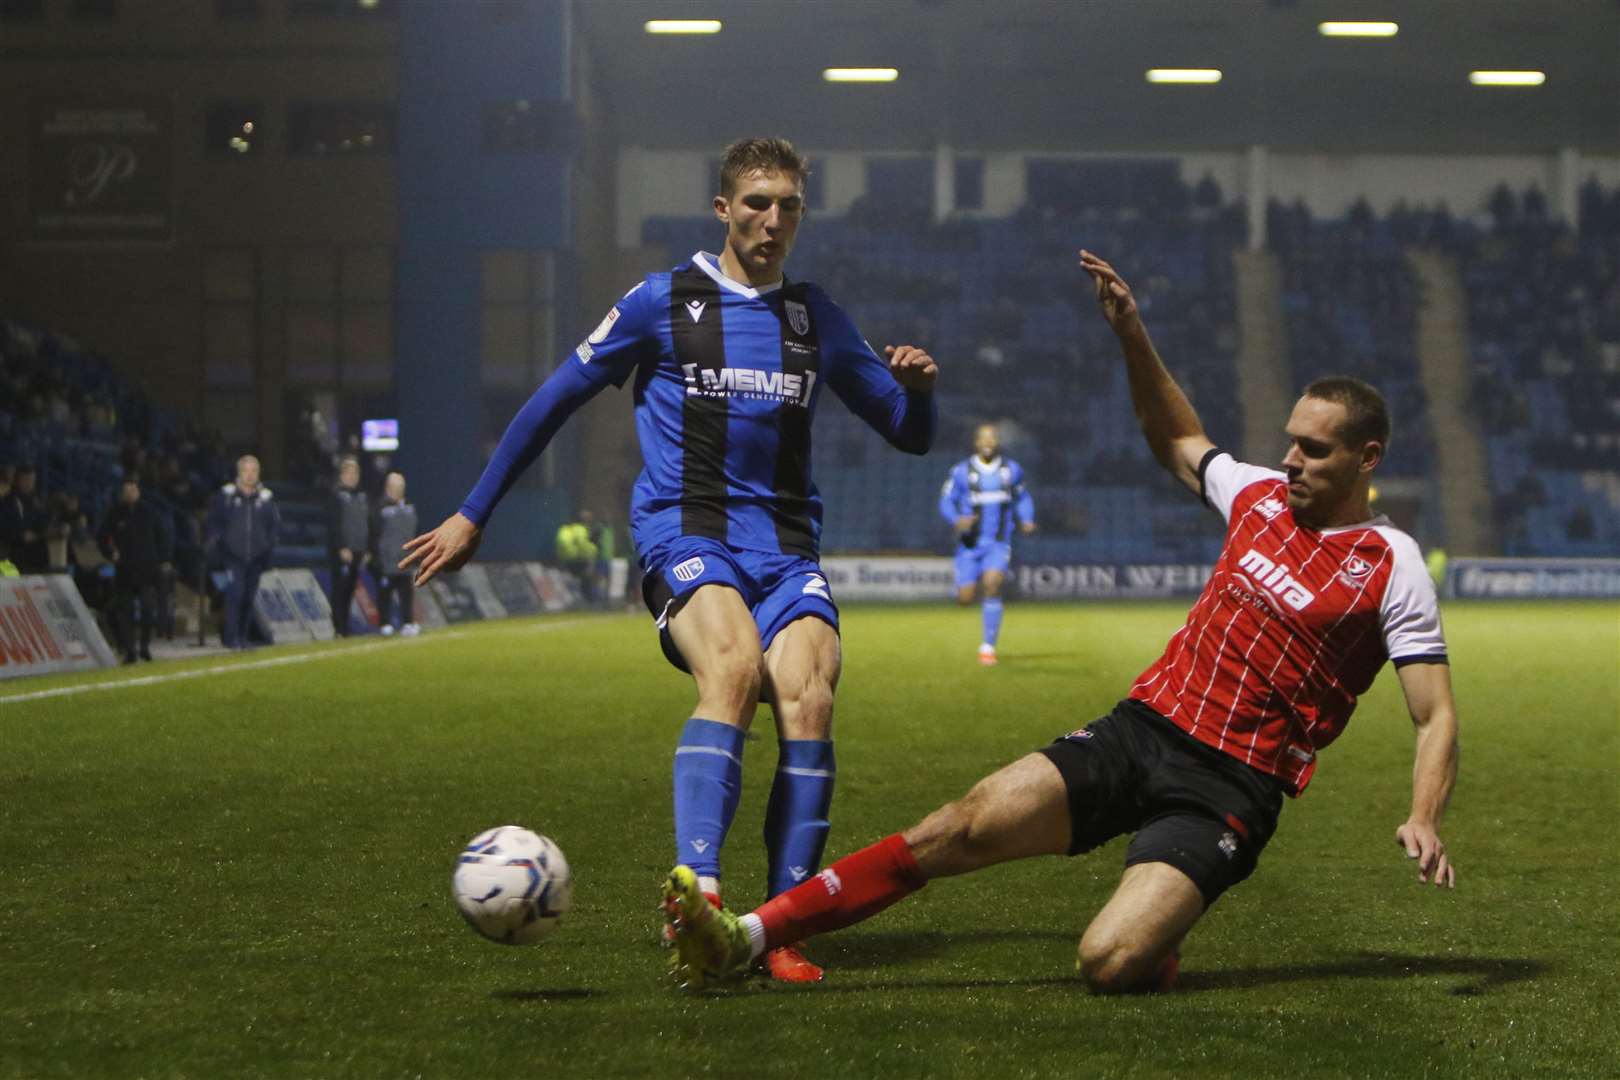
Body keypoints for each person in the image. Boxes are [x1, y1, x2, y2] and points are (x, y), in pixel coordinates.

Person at [663, 250, 1459, 993]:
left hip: (1230, 785)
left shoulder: (1392, 565)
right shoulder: (1256, 495)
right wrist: (1131, 332)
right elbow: (1179, 436)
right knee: (961, 825)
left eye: (1314, 450)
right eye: (1290, 441)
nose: (1291, 460)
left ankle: (1158, 928)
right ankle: (747, 936)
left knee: (1108, 962)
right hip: (1142, 729)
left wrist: (1423, 817)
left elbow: (1434, 714)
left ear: (1368, 458)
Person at [402, 136, 939, 983]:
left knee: (810, 696)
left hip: (788, 546)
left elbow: (908, 437)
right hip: (686, 534)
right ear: (722, 209)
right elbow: (553, 399)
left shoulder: (815, 318)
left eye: (789, 205)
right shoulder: (661, 303)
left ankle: (781, 927)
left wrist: (920, 392)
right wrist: (475, 513)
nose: (773, 219)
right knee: (730, 671)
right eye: (757, 203)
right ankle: (701, 902)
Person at [938, 423, 1035, 665]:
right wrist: (956, 519)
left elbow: (1022, 497)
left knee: (992, 584)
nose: (988, 442)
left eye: (992, 438)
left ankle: (988, 647)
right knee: (965, 598)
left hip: (998, 543)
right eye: (984, 438)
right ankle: (967, 588)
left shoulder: (1011, 470)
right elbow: (946, 501)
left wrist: (1027, 519)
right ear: (976, 442)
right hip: (969, 545)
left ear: (997, 441)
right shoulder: (962, 472)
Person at [206, 455, 280, 650]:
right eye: (246, 470)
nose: (249, 475)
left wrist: (268, 544)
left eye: (253, 471)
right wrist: (219, 540)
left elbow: (274, 526)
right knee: (235, 594)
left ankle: (242, 637)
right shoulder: (226, 496)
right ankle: (231, 638)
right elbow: (214, 522)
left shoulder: (266, 498)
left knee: (248, 597)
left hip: (256, 556)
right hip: (233, 556)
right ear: (239, 473)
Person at [98, 476, 171, 663]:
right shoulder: (115, 513)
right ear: (122, 493)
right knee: (126, 612)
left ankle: (144, 646)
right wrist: (110, 552)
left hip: (147, 570)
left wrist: (163, 560)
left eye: (132, 490)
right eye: (126, 490)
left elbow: (162, 535)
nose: (129, 494)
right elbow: (101, 536)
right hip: (125, 571)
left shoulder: (148, 512)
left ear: (138, 491)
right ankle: (130, 650)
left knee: (147, 610)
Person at [370, 471, 419, 637]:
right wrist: (376, 556)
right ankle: (385, 623)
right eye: (395, 486)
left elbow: (415, 532)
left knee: (406, 593)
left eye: (401, 487)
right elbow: (373, 533)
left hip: (405, 559)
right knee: (385, 593)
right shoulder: (380, 508)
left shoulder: (409, 507)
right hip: (387, 560)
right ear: (388, 487)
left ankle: (408, 622)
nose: (398, 490)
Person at [327, 455, 370, 636]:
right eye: (349, 473)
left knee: (350, 589)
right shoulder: (336, 495)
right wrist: (341, 546)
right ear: (342, 475)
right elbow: (333, 523)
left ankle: (345, 626)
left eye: (355, 473)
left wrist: (367, 548)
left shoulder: (362, 496)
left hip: (358, 549)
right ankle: (338, 627)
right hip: (342, 551)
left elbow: (366, 523)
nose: (352, 476)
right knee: (340, 589)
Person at [554, 509, 601, 605]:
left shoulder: (565, 530)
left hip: (567, 559)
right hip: (581, 559)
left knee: (573, 580)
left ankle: (575, 599)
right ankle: (590, 599)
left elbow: (560, 544)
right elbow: (583, 545)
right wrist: (593, 552)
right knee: (588, 578)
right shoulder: (581, 529)